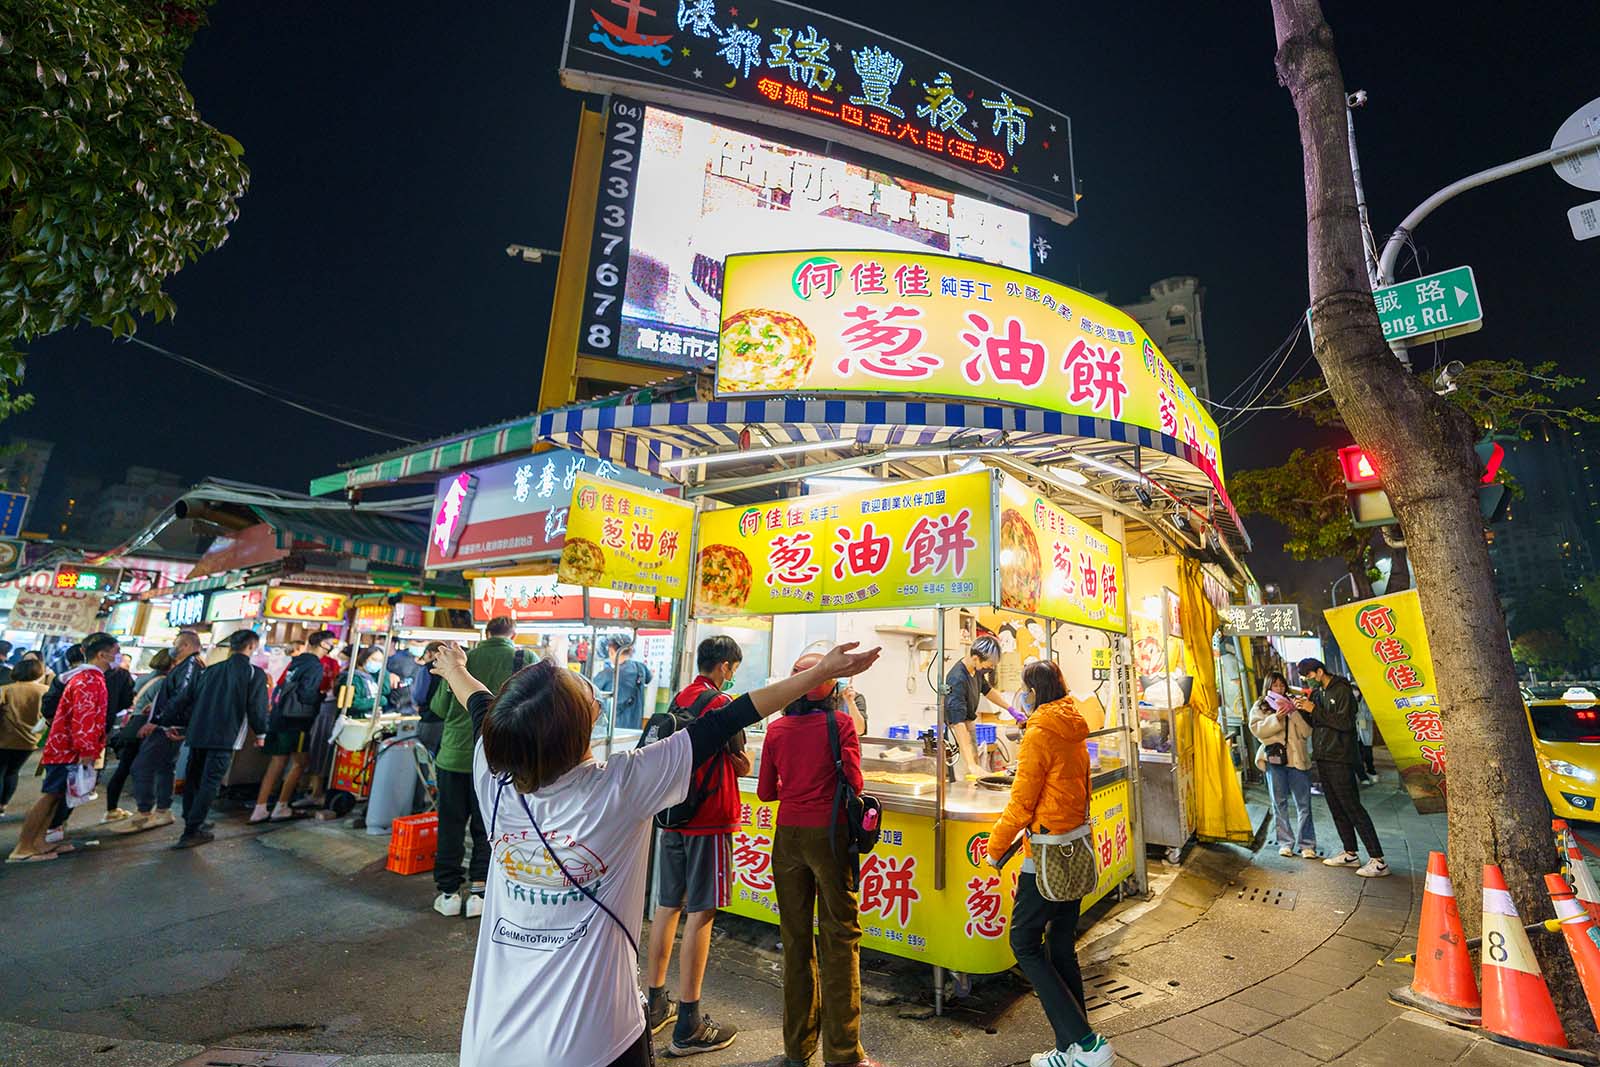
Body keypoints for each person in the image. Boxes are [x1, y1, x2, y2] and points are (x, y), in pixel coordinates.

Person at [434, 637, 880, 1067]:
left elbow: (479, 704)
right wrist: (821, 673)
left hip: (488, 1041)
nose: (590, 688)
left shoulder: (492, 776)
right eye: (582, 691)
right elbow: (731, 719)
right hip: (596, 1042)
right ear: (578, 730)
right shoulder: (620, 786)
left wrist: (455, 668)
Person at [987, 661, 1114, 1067]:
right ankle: (1070, 1049)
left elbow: (1022, 801)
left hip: (1044, 852)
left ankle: (1088, 1044)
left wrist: (995, 847)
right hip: (1074, 845)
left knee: (1023, 943)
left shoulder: (1040, 732)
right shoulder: (1074, 724)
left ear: (1032, 690)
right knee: (1060, 945)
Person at [758, 651, 876, 1067]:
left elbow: (765, 793)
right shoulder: (841, 723)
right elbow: (856, 782)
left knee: (794, 941)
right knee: (840, 939)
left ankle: (797, 1050)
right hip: (828, 837)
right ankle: (843, 1055)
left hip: (786, 839)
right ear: (832, 687)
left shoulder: (777, 729)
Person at [643, 635, 747, 1054]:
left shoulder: (679, 699)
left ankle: (655, 1004)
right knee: (702, 914)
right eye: (733, 668)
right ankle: (689, 1023)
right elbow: (741, 762)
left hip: (673, 818)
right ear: (723, 666)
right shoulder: (720, 705)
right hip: (710, 819)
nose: (732, 676)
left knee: (668, 908)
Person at [429, 616, 521, 917]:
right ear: (513, 634)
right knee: (487, 826)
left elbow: (438, 709)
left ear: (486, 632)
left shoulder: (463, 659)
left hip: (454, 756)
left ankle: (449, 892)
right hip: (497, 757)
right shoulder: (524, 658)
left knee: (451, 824)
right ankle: (480, 890)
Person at [8, 632, 119, 862]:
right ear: (102, 654)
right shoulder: (90, 679)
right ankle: (23, 847)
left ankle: (38, 842)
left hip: (64, 747)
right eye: (115, 653)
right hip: (69, 750)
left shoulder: (78, 677)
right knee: (50, 796)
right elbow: (85, 717)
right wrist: (87, 751)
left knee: (56, 796)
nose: (118, 657)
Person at [175, 629, 269, 849]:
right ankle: (192, 831)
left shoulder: (211, 670)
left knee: (194, 779)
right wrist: (262, 734)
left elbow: (189, 698)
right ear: (251, 646)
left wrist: (176, 723)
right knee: (210, 783)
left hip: (198, 732)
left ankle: (192, 820)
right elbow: (257, 707)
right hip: (226, 735)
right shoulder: (254, 673)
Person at [1295, 658, 1388, 877]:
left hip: (1341, 757)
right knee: (1336, 808)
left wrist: (1314, 710)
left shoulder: (1342, 690)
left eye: (1309, 676)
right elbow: (1316, 723)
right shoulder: (1318, 694)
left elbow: (1344, 722)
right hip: (1323, 756)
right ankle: (1350, 852)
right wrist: (1302, 709)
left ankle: (1378, 860)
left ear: (1319, 671)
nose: (1308, 681)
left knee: (1352, 806)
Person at [118, 631, 204, 834]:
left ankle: (145, 812)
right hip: (170, 725)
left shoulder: (191, 665)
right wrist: (155, 708)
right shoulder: (188, 666)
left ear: (185, 646)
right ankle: (163, 810)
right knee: (165, 767)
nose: (173, 648)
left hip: (168, 727)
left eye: (175, 644)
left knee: (142, 766)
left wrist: (157, 721)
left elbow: (182, 696)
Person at [250, 636, 328, 822]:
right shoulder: (315, 666)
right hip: (297, 721)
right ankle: (281, 806)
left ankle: (259, 809)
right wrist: (321, 697)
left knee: (276, 763)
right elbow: (307, 695)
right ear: (320, 645)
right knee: (300, 762)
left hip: (279, 717)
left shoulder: (296, 662)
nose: (329, 649)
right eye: (328, 645)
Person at [1249, 672, 1317, 859]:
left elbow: (1307, 732)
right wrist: (1277, 718)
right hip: (1275, 760)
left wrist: (1294, 713)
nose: (1279, 689)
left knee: (1304, 803)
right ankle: (1285, 843)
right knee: (1279, 802)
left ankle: (1307, 844)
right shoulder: (1261, 706)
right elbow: (1257, 730)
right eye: (1275, 686)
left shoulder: (1296, 703)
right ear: (1268, 687)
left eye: (1281, 685)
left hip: (1297, 760)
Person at [102, 650, 171, 822]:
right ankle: (145, 811)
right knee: (145, 768)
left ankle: (111, 809)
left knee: (123, 768)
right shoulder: (164, 682)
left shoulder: (144, 678)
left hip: (133, 724)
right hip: (145, 725)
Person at [293, 630, 346, 811]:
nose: (333, 646)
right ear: (322, 643)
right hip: (309, 712)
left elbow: (335, 685)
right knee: (307, 753)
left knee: (320, 751)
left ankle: (314, 791)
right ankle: (300, 789)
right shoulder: (308, 662)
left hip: (327, 710)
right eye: (331, 642)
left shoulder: (332, 663)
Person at [944, 634, 1008, 777]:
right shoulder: (957, 679)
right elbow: (958, 723)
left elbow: (987, 690)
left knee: (976, 777)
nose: (990, 668)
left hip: (969, 727)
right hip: (958, 733)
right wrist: (971, 764)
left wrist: (1010, 709)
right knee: (965, 778)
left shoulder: (976, 670)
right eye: (989, 665)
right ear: (975, 658)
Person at [0, 657, 50, 815]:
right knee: (13, 771)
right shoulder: (46, 691)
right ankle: (3, 805)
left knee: (0, 771)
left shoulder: (5, 689)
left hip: (4, 738)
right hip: (30, 740)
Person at [595, 639, 653, 731]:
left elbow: (590, 691)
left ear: (612, 652)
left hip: (613, 730)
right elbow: (649, 678)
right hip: (636, 728)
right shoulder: (641, 668)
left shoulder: (608, 674)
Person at [1353, 685, 1379, 786]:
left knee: (1368, 754)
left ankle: (1371, 771)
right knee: (1357, 756)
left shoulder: (1366, 701)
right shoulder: (1349, 701)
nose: (1355, 693)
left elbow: (1372, 716)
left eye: (1355, 690)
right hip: (1355, 734)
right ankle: (1362, 775)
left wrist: (1362, 714)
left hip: (1365, 732)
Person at [387, 639, 420, 711]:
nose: (419, 645)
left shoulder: (432, 663)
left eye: (422, 643)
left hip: (420, 708)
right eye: (417, 642)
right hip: (398, 706)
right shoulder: (397, 659)